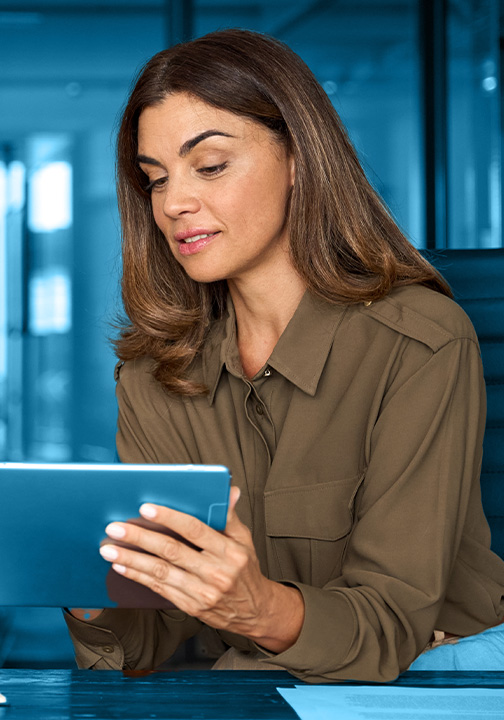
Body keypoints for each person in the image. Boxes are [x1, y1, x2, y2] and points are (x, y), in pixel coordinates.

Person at [66, 28, 504, 683]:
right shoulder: (156, 375)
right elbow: (147, 644)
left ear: (299, 158)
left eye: (209, 165)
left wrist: (253, 609)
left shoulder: (420, 341)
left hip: (439, 682)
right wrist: (91, 589)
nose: (174, 203)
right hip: (253, 684)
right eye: (154, 180)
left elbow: (391, 628)